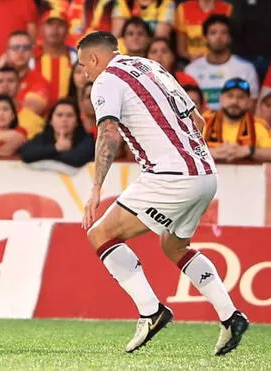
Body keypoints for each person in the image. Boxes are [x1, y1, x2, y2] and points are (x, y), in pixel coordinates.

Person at [76, 31, 248, 355]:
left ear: (96, 59)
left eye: (84, 65)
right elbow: (197, 119)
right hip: (206, 173)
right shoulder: (152, 67)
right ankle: (230, 316)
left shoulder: (106, 80)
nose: (84, 72)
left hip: (171, 175)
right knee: (174, 246)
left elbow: (108, 133)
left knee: (100, 234)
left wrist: (96, 187)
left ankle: (150, 311)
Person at [20, 97, 94, 167]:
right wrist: (55, 148)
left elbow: (78, 159)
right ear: (51, 121)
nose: (64, 119)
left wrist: (45, 155)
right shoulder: (42, 137)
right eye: (59, 115)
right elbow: (26, 154)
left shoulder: (87, 139)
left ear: (77, 121)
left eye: (69, 115)